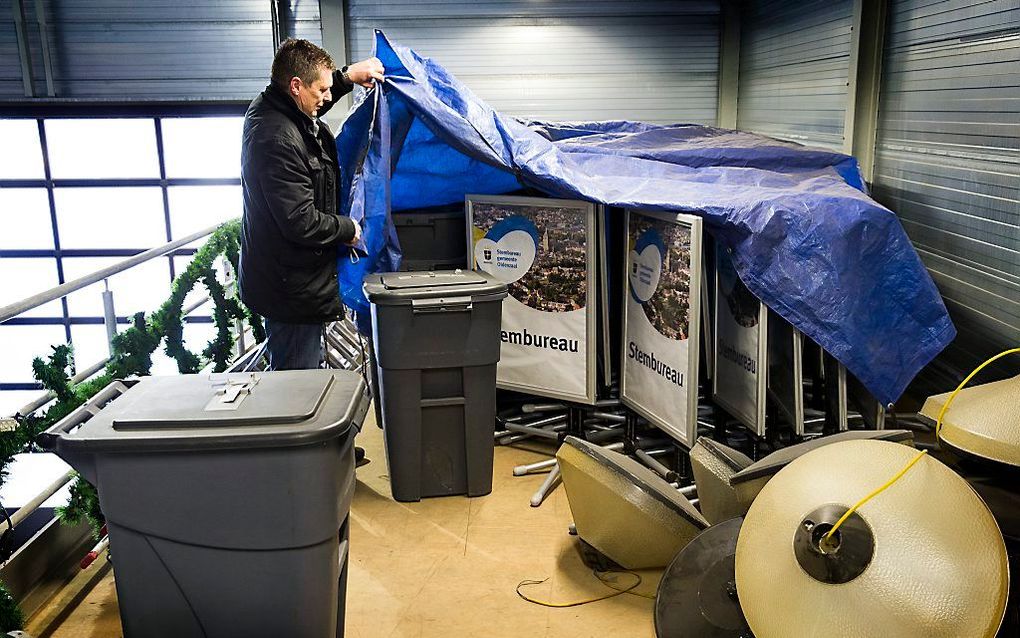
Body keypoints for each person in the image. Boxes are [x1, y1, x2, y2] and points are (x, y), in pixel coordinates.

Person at [239, 39, 384, 461]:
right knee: (295, 382)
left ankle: (319, 453)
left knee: (308, 372)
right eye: (321, 92)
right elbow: (300, 221)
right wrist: (349, 229)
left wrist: (346, 78)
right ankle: (302, 467)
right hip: (289, 286)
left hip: (299, 275)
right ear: (296, 86)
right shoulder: (275, 139)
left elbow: (318, 91)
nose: (327, 99)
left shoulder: (283, 107)